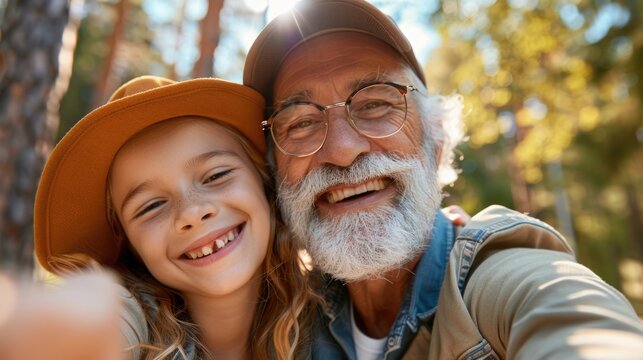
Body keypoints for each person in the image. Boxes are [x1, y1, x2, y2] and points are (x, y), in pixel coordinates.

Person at [242, 0, 643, 359]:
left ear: (437, 141)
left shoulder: (502, 277)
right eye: (301, 123)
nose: (343, 150)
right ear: (277, 174)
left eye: (376, 104)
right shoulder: (276, 321)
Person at [30, 75, 315, 359]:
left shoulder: (332, 309)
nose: (191, 212)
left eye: (216, 175)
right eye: (150, 206)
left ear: (263, 181)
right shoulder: (121, 316)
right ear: (129, 243)